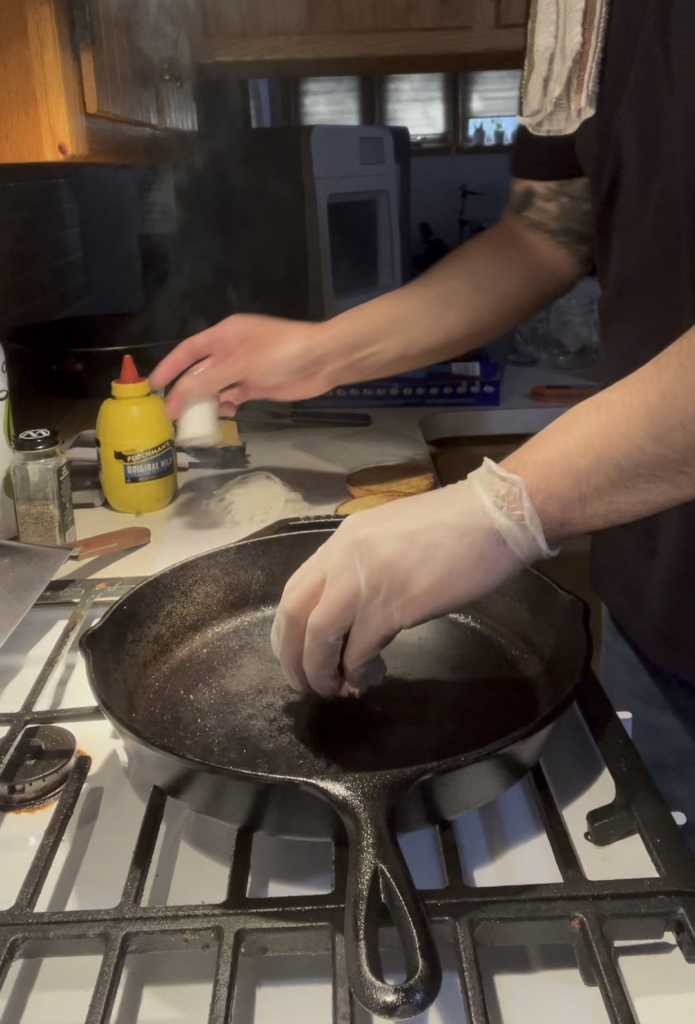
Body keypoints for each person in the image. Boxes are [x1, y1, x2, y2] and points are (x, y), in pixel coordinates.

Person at [152, 1, 695, 845]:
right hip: (655, 601)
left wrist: (503, 508)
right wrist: (326, 350)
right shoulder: (577, 16)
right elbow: (547, 233)